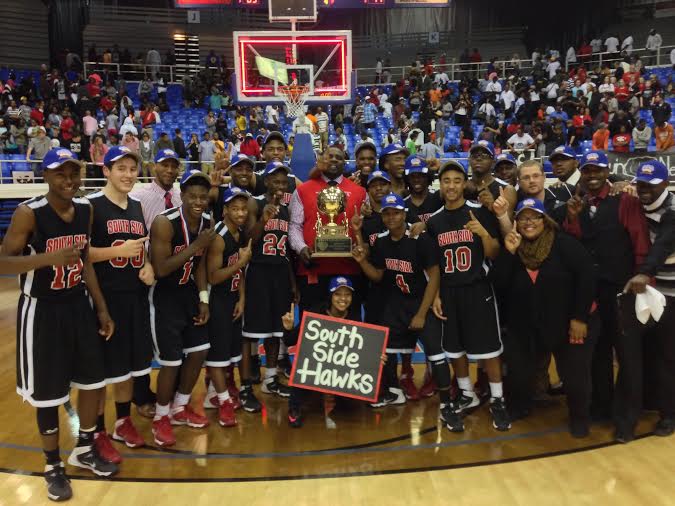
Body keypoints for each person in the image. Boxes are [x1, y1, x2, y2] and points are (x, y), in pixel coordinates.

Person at [0, 148, 117, 501]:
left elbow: (86, 262)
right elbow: (3, 263)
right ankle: (52, 466)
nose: (68, 180)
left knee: (94, 381)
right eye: (60, 174)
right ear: (46, 176)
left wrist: (101, 308)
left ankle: (85, 448)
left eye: (73, 173)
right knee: (48, 394)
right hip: (42, 311)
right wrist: (48, 258)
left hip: (78, 305)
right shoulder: (28, 213)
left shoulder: (85, 208)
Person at [492, 198, 597, 437]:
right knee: (518, 372)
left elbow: (587, 278)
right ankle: (519, 407)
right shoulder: (513, 248)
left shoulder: (564, 244)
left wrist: (579, 318)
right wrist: (508, 252)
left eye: (534, 217)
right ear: (516, 222)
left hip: (567, 323)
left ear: (545, 220)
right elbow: (498, 285)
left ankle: (579, 417)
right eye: (523, 218)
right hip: (526, 325)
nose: (528, 222)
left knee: (575, 376)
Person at [562, 151, 650, 430]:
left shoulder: (624, 200)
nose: (592, 175)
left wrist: (642, 276)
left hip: (622, 289)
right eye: (587, 170)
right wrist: (572, 218)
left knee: (626, 354)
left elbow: (639, 240)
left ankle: (627, 416)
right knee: (598, 353)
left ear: (607, 170)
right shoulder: (579, 203)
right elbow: (576, 242)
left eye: (597, 170)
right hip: (592, 290)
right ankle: (602, 407)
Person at [427, 159, 511, 431]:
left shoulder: (479, 212)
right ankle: (466, 393)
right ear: (440, 185)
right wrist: (436, 295)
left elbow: (495, 253)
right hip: (449, 291)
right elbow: (434, 265)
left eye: (456, 181)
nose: (451, 186)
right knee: (455, 348)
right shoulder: (435, 221)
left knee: (489, 348)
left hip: (478, 289)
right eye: (446, 181)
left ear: (464, 184)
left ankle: (497, 399)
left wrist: (484, 234)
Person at [86, 146, 155, 463]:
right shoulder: (91, 206)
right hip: (105, 301)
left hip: (135, 299)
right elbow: (81, 253)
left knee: (129, 368)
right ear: (106, 171)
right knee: (102, 372)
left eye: (132, 169)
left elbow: (141, 249)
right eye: (121, 169)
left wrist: (148, 265)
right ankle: (97, 431)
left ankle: (123, 422)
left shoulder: (137, 206)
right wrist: (117, 252)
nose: (128, 175)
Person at [149, 169, 215, 447]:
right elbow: (161, 269)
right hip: (165, 297)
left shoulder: (208, 221)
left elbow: (200, 265)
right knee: (171, 361)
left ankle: (179, 407)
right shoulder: (164, 223)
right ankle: (161, 417)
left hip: (189, 294)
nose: (198, 202)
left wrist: (203, 298)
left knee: (199, 351)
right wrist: (196, 245)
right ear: (182, 195)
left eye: (203, 197)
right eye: (193, 196)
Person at [623, 161, 675, 439]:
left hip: (670, 291)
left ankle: (669, 415)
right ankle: (652, 400)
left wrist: (645, 272)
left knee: (667, 355)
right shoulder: (636, 203)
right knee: (650, 351)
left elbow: (663, 243)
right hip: (650, 290)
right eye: (641, 184)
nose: (644, 189)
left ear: (665, 184)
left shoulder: (672, 209)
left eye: (650, 185)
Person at [289, 147, 367, 313]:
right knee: (311, 322)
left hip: (349, 270)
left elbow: (366, 227)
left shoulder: (360, 192)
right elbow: (295, 225)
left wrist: (360, 246)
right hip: (313, 270)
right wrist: (301, 248)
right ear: (321, 160)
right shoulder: (302, 190)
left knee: (348, 324)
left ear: (344, 163)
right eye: (329, 156)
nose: (333, 159)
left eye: (338, 157)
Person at [242, 161, 296, 400]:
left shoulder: (286, 209)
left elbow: (287, 252)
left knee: (276, 331)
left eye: (284, 182)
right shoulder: (255, 202)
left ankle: (271, 378)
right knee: (251, 332)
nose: (280, 186)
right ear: (266, 181)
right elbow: (248, 238)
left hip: (280, 273)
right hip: (258, 271)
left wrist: (292, 283)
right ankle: (245, 384)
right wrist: (263, 220)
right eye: (275, 181)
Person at [204, 186, 254, 427]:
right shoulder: (218, 237)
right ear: (225, 210)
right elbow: (213, 277)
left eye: (244, 208)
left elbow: (240, 273)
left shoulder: (239, 233)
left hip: (232, 298)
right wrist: (241, 263)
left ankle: (215, 392)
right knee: (217, 355)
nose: (241, 213)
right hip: (217, 300)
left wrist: (242, 299)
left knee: (230, 351)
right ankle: (222, 400)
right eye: (235, 208)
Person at [285, 276, 362, 427]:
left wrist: (375, 357)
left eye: (347, 294)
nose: (343, 299)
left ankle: (338, 397)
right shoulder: (316, 312)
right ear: (330, 295)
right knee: (303, 364)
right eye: (338, 294)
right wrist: (288, 328)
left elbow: (360, 350)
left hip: (339, 365)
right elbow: (290, 340)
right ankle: (294, 408)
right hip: (317, 364)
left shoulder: (354, 317)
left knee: (351, 401)